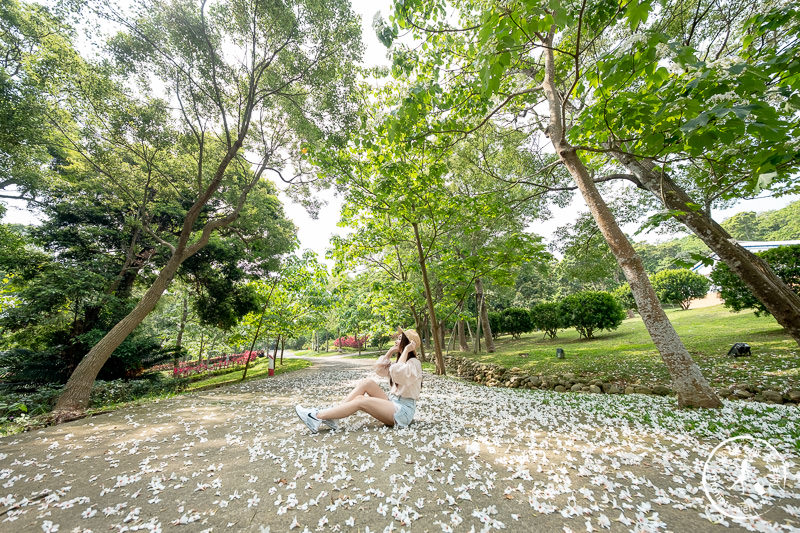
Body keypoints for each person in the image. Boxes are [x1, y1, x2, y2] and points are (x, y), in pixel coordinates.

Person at [294, 327, 423, 433]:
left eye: (400, 339)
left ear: (408, 344)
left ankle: (316, 416)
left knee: (361, 401)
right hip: (393, 403)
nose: (396, 341)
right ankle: (333, 417)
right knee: (367, 383)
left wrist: (406, 350)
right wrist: (390, 352)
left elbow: (398, 372)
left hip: (403, 412)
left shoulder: (414, 364)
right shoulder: (401, 360)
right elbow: (379, 370)